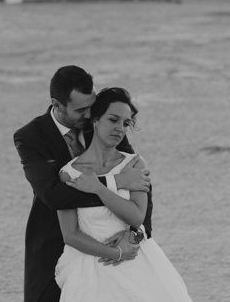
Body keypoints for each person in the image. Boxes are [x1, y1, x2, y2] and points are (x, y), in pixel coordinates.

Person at [13, 66, 153, 302]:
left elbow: (139, 180)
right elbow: (53, 195)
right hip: (54, 238)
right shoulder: (30, 136)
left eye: (92, 106)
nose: (90, 115)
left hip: (114, 237)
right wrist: (113, 182)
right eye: (81, 110)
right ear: (57, 105)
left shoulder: (103, 123)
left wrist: (137, 233)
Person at [55, 86, 193, 301]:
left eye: (126, 123)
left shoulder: (134, 163)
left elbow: (136, 216)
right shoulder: (69, 173)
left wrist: (100, 187)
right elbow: (70, 235)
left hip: (137, 261)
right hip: (90, 270)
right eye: (113, 120)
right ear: (95, 119)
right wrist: (115, 253)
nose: (120, 128)